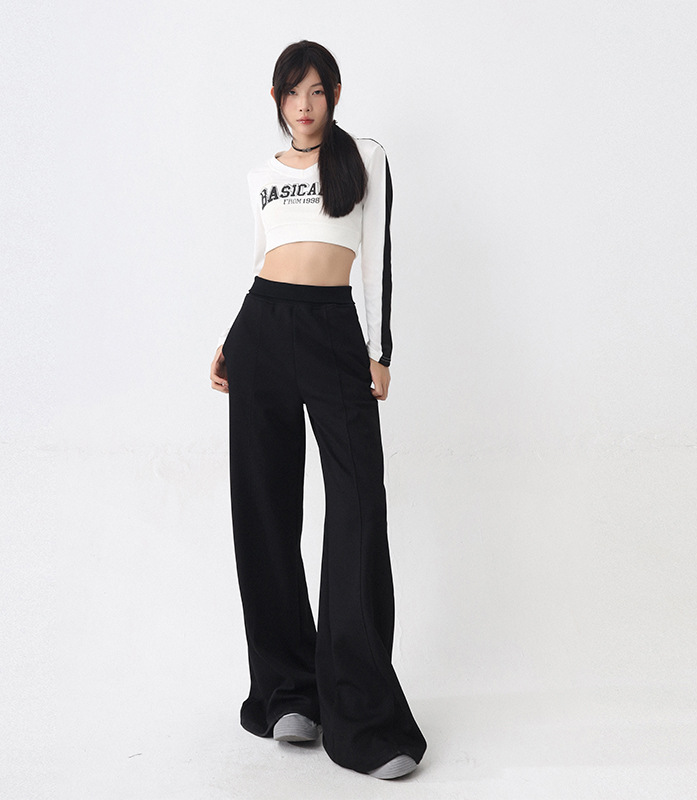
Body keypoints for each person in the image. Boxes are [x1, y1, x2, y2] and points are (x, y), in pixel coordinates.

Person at [209, 40, 426, 780]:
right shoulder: (261, 176)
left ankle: (362, 713)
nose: (303, 106)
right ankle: (287, 692)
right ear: (277, 100)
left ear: (334, 95)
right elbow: (261, 260)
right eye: (291, 93)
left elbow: (378, 253)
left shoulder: (363, 158)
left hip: (334, 331)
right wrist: (232, 339)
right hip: (261, 330)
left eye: (316, 92)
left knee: (358, 505)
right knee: (263, 507)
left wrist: (380, 350)